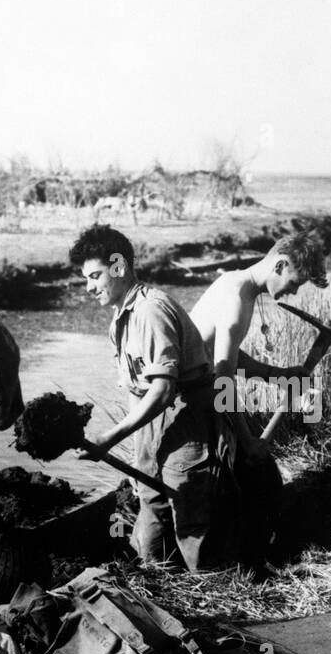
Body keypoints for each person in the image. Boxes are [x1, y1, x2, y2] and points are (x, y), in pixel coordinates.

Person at [69, 224, 234, 572]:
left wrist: (108, 439)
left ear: (119, 267)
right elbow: (136, 389)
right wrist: (138, 448)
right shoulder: (120, 317)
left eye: (95, 276)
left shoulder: (150, 311)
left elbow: (161, 391)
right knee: (150, 502)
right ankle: (158, 586)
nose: (89, 287)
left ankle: (211, 595)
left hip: (185, 417)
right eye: (86, 278)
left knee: (190, 515)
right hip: (151, 423)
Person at [188, 232, 329, 458]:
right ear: (280, 265)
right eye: (294, 283)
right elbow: (223, 380)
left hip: (198, 396)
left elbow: (218, 354)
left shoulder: (236, 282)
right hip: (188, 405)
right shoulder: (235, 300)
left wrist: (277, 375)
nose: (293, 292)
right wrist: (248, 441)